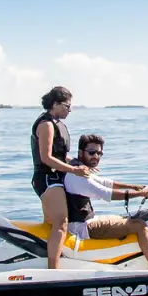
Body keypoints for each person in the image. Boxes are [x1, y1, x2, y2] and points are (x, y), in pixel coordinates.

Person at [63, 133, 148, 269]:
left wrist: (133, 186)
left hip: (85, 221)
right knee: (139, 225)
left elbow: (104, 182)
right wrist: (141, 194)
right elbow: (106, 193)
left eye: (99, 153)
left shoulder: (78, 168)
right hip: (82, 228)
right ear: (81, 153)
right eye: (92, 152)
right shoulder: (77, 175)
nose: (96, 156)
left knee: (129, 218)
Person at [32, 86, 91, 269]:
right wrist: (73, 171)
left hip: (56, 177)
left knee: (52, 223)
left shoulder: (58, 124)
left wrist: (80, 165)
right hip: (47, 179)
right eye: (67, 106)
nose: (69, 110)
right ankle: (53, 270)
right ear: (55, 104)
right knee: (61, 222)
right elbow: (46, 158)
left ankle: (47, 258)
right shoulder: (46, 125)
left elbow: (61, 156)